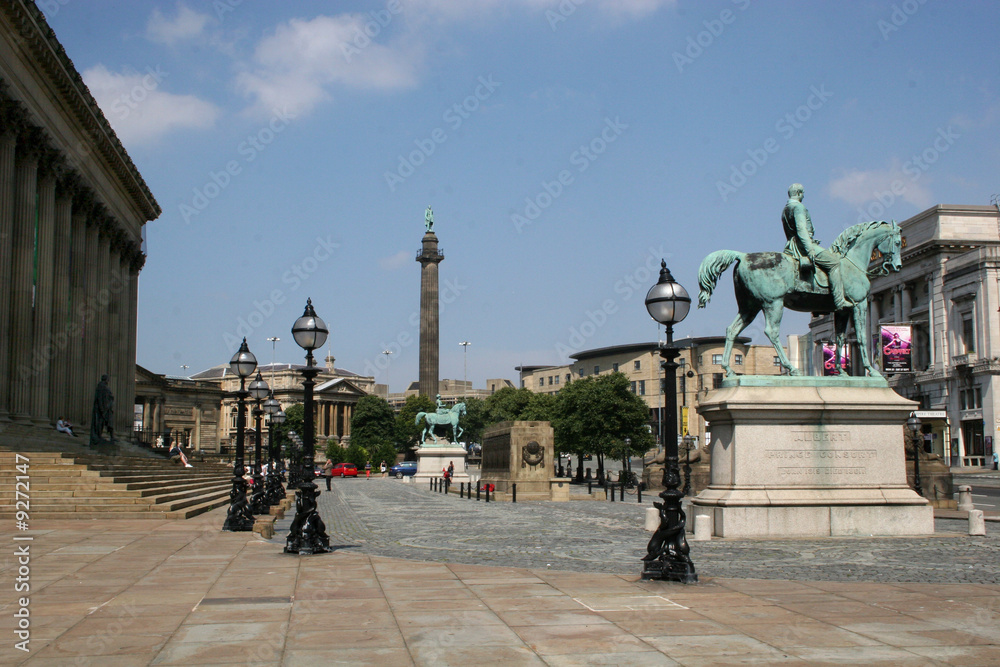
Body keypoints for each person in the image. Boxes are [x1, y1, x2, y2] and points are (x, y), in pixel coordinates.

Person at [782, 183, 851, 310]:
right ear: (798, 193)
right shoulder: (798, 207)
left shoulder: (786, 209)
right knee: (834, 262)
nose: (803, 196)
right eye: (802, 193)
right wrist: (810, 249)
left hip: (792, 244)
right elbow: (801, 230)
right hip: (802, 245)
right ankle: (839, 301)